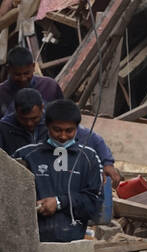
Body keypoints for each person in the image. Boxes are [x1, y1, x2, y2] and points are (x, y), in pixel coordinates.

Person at [13, 99, 105, 243]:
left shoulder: (89, 157)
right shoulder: (25, 155)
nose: (63, 136)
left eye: (69, 131)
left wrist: (59, 202)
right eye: (57, 130)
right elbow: (10, 198)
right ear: (47, 126)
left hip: (72, 242)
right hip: (30, 242)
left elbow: (94, 204)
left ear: (77, 128)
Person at [0, 88, 123, 188]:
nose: (29, 124)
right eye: (24, 119)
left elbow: (93, 139)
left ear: (42, 109)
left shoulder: (54, 122)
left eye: (34, 118)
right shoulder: (3, 128)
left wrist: (107, 163)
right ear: (16, 111)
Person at [0, 46, 64, 133]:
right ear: (8, 69)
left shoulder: (50, 87)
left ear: (33, 67)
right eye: (17, 74)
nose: (23, 79)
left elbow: (64, 117)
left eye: (26, 73)